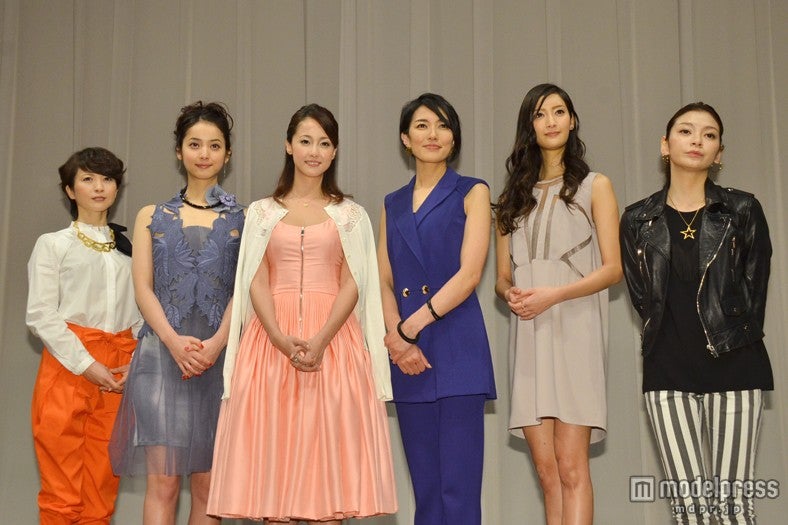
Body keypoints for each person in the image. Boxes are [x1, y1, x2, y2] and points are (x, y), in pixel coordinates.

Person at [207, 103, 396, 523]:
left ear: (335, 151)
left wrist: (323, 337)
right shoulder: (261, 213)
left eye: (324, 143)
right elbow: (254, 278)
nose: (314, 151)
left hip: (335, 345)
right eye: (306, 141)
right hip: (269, 346)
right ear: (288, 145)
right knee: (273, 488)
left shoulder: (351, 215)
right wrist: (277, 336)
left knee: (329, 487)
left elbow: (355, 280)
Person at [620, 102, 773, 525]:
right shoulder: (637, 219)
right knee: (690, 511)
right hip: (666, 371)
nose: (697, 141)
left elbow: (755, 293)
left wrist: (731, 339)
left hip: (736, 367)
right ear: (665, 145)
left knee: (734, 509)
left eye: (709, 135)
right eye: (686, 131)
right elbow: (642, 298)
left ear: (719, 152)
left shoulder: (743, 210)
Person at [109, 101, 245, 525]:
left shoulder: (246, 219)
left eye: (214, 145)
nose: (204, 154)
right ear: (179, 151)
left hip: (221, 361)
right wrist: (172, 341)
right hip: (161, 360)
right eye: (194, 144)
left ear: (227, 154)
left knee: (209, 486)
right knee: (163, 484)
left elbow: (246, 292)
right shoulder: (151, 216)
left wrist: (217, 344)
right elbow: (143, 289)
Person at [494, 83, 622, 525]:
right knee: (547, 473)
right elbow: (501, 278)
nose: (550, 121)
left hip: (575, 328)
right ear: (528, 126)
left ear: (572, 120)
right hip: (530, 332)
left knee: (571, 467)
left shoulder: (595, 186)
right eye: (540, 114)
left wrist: (555, 294)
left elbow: (613, 269)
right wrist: (509, 292)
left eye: (559, 111)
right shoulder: (510, 199)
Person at [378, 93, 495, 525]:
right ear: (405, 138)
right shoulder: (391, 202)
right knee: (426, 493)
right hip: (407, 356)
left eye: (443, 125)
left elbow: (470, 275)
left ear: (454, 138)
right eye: (422, 125)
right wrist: (398, 338)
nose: (434, 134)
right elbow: (384, 279)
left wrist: (409, 329)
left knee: (458, 493)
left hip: (457, 346)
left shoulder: (473, 191)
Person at [26, 147, 141, 524]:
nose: (99, 187)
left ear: (117, 188)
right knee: (61, 492)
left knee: (102, 489)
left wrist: (137, 360)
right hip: (68, 367)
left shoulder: (131, 252)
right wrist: (86, 363)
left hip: (118, 371)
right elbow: (41, 314)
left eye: (107, 179)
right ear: (70, 190)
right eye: (88, 179)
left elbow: (141, 317)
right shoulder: (53, 244)